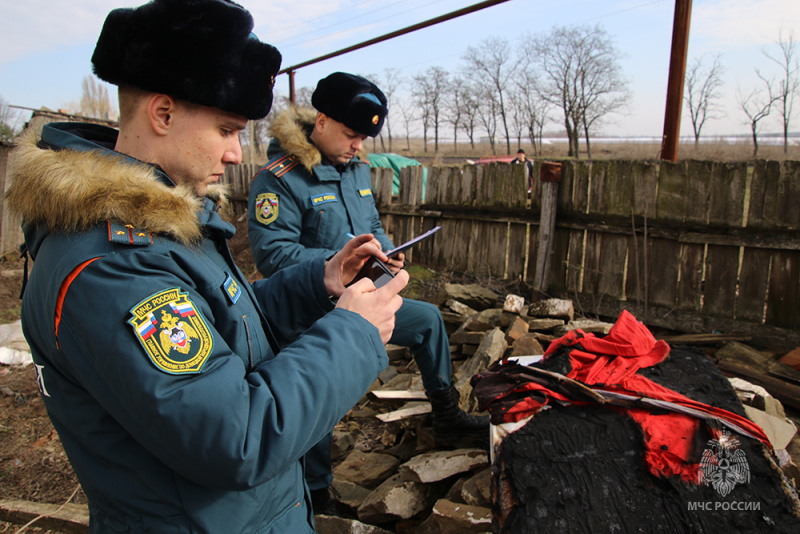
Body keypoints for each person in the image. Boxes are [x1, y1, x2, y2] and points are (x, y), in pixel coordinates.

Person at [5, 2, 408, 533]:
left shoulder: (157, 222)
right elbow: (235, 436)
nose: (238, 154)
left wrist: (321, 280)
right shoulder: (111, 266)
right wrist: (353, 333)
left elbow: (218, 328)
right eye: (226, 129)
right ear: (163, 113)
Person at [247, 72, 490, 509]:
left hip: (365, 295)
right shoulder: (280, 178)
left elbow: (373, 228)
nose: (358, 144)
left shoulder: (356, 170)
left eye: (363, 137)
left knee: (428, 320)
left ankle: (448, 417)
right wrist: (342, 261)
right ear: (320, 121)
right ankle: (317, 493)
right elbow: (274, 256)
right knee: (318, 384)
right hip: (310, 306)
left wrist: (388, 253)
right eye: (350, 133)